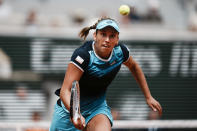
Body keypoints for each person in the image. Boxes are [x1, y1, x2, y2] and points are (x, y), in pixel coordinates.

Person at [49, 17, 162, 131]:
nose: (107, 39)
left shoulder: (120, 52)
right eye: (103, 34)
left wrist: (148, 97)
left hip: (96, 109)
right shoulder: (83, 55)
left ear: (117, 39)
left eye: (112, 36)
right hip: (68, 112)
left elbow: (134, 66)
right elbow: (65, 91)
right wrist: (76, 114)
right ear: (95, 36)